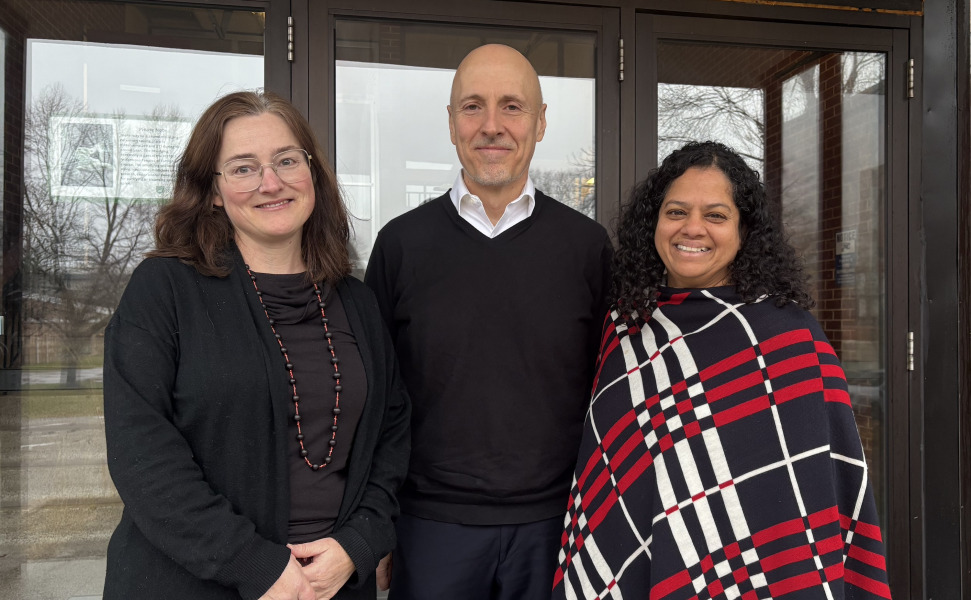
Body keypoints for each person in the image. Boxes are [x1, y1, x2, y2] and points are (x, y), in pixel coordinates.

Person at [102, 90, 410, 600]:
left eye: (287, 160)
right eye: (243, 169)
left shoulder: (356, 300)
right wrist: (256, 565)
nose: (271, 182)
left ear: (312, 173)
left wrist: (358, 544)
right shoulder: (164, 289)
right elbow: (143, 456)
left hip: (330, 583)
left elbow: (392, 436)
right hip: (194, 583)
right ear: (214, 191)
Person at [552, 141, 892, 599]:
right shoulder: (626, 327)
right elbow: (611, 471)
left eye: (715, 215)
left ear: (743, 230)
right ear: (653, 222)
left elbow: (810, 484)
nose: (693, 228)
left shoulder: (789, 338)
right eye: (676, 212)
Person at [364, 44, 612, 599]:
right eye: (473, 107)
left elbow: (609, 389)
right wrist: (375, 525)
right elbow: (375, 398)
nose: (492, 126)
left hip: (558, 526)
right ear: (451, 124)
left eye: (512, 107)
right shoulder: (400, 246)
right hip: (430, 529)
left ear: (541, 122)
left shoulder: (587, 248)